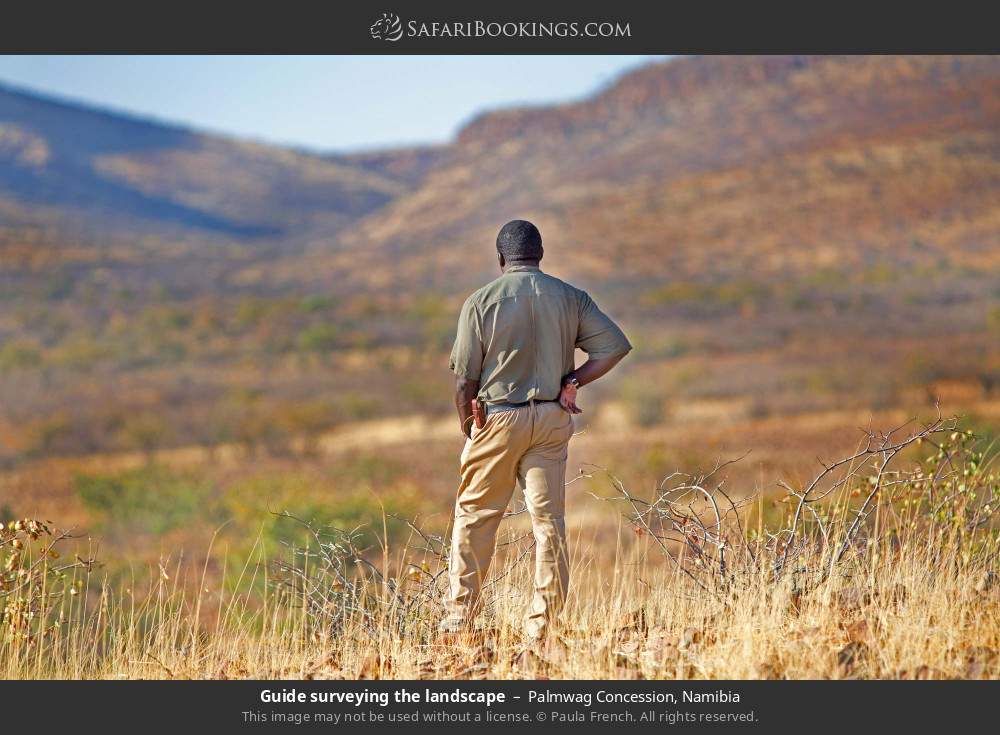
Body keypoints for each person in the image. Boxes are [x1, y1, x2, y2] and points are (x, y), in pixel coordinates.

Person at [442, 219, 631, 641]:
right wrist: (574, 382)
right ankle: (543, 624)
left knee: (476, 516)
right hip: (550, 418)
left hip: (498, 418)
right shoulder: (570, 296)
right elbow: (615, 346)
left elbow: (463, 380)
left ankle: (459, 617)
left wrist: (469, 427)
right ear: (540, 255)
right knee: (549, 522)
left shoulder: (481, 302)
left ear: (500, 258)